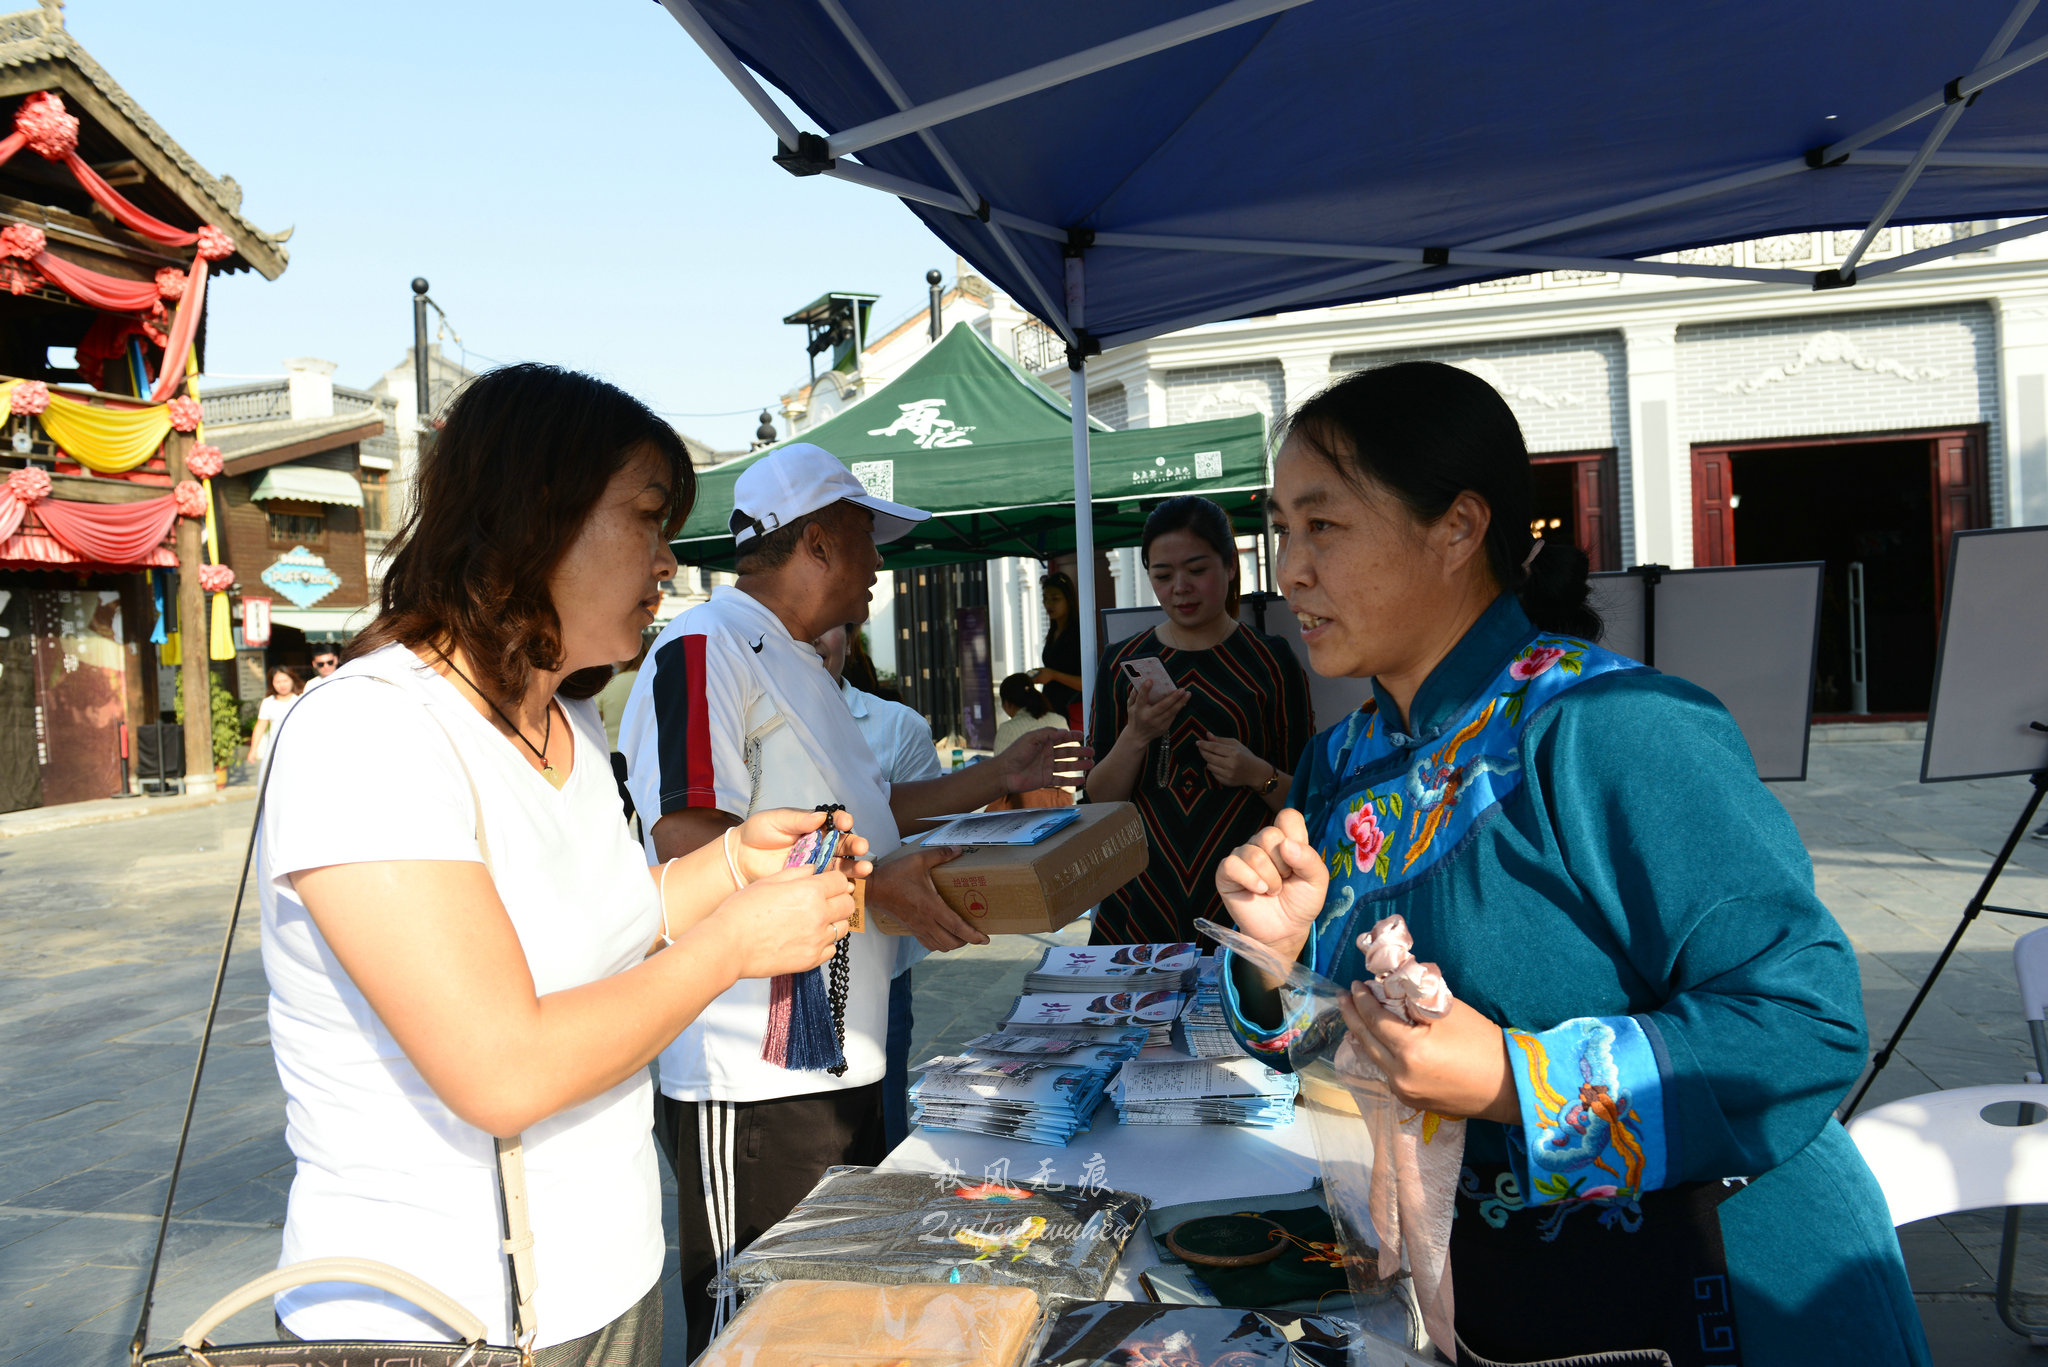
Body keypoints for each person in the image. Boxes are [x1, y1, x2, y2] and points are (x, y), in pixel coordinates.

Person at [1217, 362, 1928, 1366]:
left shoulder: (1614, 728)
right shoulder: (1340, 763)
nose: (1286, 569)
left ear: (1456, 527)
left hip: (1721, 1294)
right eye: (1278, 529)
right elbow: (1346, 1054)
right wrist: (1273, 956)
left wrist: (1513, 1075)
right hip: (1497, 1310)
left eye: (1321, 526)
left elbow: (1801, 1024)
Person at [256, 364, 865, 1366]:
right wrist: (730, 946)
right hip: (433, 1318)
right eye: (647, 517)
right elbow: (504, 1065)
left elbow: (603, 929)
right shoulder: (371, 729)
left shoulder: (570, 722)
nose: (667, 559)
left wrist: (730, 870)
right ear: (537, 517)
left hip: (606, 1277)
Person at [619, 442, 1091, 1360]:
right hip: (752, 1073)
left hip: (843, 1053)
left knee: (838, 1319)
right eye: (868, 539)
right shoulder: (704, 648)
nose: (881, 564)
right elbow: (691, 847)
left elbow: (868, 814)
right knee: (754, 1327)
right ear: (820, 544)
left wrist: (992, 777)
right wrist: (882, 884)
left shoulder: (796, 664)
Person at [1084, 496, 1312, 945]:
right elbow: (1097, 802)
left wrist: (1256, 774)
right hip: (1139, 896)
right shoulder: (1122, 662)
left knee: (1236, 1015)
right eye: (1162, 575)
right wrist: (1137, 736)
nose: (1180, 588)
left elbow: (1306, 796)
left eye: (1196, 569)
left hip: (1249, 896)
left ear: (1230, 566)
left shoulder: (1270, 660)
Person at [813, 621, 942, 1151]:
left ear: (852, 632)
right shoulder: (744, 718)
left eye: (830, 627)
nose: (816, 641)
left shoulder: (894, 727)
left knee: (878, 1129)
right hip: (772, 971)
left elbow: (931, 841)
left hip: (875, 962)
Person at [988, 674, 1074, 811]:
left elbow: (1000, 777)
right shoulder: (1059, 720)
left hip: (1025, 803)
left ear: (1007, 703)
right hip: (1065, 800)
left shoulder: (1008, 728)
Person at [1034, 571, 1085, 725]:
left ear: (1068, 600)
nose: (1048, 604)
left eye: (1055, 599)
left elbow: (1088, 682)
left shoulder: (1079, 634)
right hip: (1052, 711)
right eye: (1045, 599)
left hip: (1073, 713)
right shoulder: (1053, 631)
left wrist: (1053, 675)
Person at [247, 665, 300, 769]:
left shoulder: (299, 700)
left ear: (292, 680)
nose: (282, 685)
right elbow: (260, 726)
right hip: (276, 750)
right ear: (272, 683)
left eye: (285, 680)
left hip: (297, 748)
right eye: (278, 682)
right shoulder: (268, 702)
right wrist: (253, 750)